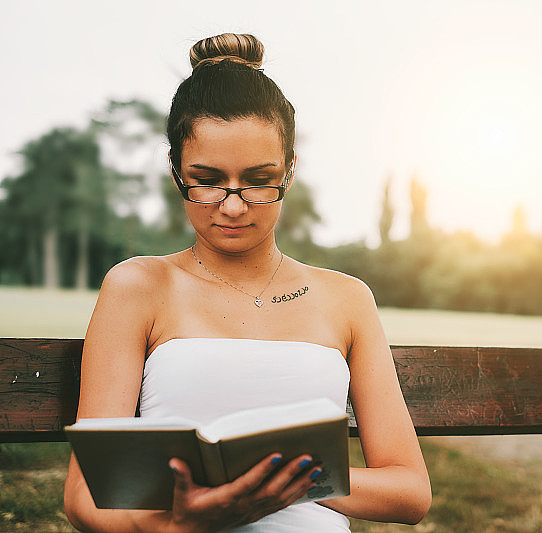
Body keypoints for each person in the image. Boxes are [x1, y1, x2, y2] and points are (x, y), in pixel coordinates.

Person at [63, 32, 431, 532]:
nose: (233, 206)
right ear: (175, 172)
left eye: (259, 179)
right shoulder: (139, 286)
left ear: (290, 171)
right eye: (207, 179)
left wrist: (288, 479)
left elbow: (410, 492)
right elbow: (86, 494)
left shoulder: (346, 299)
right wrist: (177, 524)